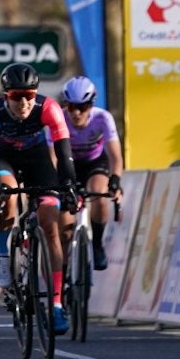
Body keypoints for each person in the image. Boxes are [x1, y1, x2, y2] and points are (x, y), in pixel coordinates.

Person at [0, 62, 76, 335]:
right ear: (5, 95)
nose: (23, 102)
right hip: (5, 160)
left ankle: (56, 305)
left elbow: (64, 151)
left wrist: (68, 186)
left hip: (37, 160)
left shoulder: (49, 109)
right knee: (7, 197)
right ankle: (1, 252)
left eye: (29, 95)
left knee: (50, 223)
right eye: (16, 96)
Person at [58, 76, 123, 271]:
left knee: (99, 194)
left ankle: (97, 245)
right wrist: (58, 183)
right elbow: (53, 157)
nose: (76, 113)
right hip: (68, 164)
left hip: (95, 161)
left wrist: (115, 181)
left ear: (91, 106)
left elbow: (115, 156)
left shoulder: (102, 118)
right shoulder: (58, 118)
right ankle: (63, 271)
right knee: (65, 229)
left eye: (83, 107)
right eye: (71, 107)